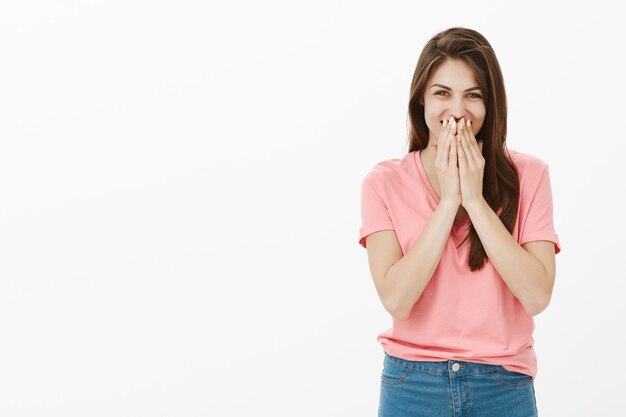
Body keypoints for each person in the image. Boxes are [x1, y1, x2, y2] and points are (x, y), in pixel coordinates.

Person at [358, 27, 561, 417]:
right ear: (420, 100)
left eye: (473, 95)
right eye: (442, 93)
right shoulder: (382, 183)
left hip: (503, 384)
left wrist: (473, 198)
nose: (457, 110)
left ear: (491, 103)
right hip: (411, 384)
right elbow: (397, 300)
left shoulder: (530, 175)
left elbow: (537, 296)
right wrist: (449, 201)